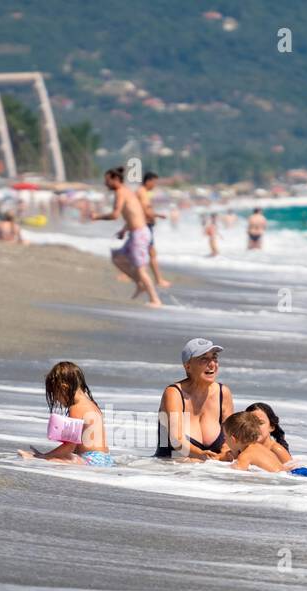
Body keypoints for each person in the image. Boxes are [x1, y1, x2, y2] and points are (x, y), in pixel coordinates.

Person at [18, 361, 114, 467]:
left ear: (64, 388)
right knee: (61, 457)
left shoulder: (76, 408)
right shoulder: (91, 404)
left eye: (55, 394)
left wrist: (44, 457)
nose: (56, 399)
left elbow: (70, 446)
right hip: (106, 458)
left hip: (91, 460)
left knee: (49, 460)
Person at [92, 167, 161, 306]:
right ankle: (139, 284)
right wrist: (125, 229)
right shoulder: (127, 192)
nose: (105, 184)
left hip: (139, 235)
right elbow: (134, 214)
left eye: (107, 181)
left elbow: (115, 215)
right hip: (136, 233)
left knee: (140, 268)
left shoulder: (120, 192)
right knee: (117, 257)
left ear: (115, 179)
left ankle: (155, 299)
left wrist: (97, 216)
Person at [157, 339, 234, 459]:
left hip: (212, 475)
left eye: (214, 358)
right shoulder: (174, 393)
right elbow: (176, 441)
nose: (212, 364)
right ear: (187, 366)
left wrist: (225, 454)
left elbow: (230, 440)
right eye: (204, 359)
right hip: (170, 472)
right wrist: (201, 455)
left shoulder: (223, 393)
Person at [136, 172, 172, 288]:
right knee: (150, 253)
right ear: (148, 181)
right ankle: (158, 280)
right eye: (154, 182)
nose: (155, 185)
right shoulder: (142, 192)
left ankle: (155, 279)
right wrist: (157, 216)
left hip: (143, 225)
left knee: (143, 251)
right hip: (144, 225)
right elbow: (146, 210)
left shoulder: (142, 192)